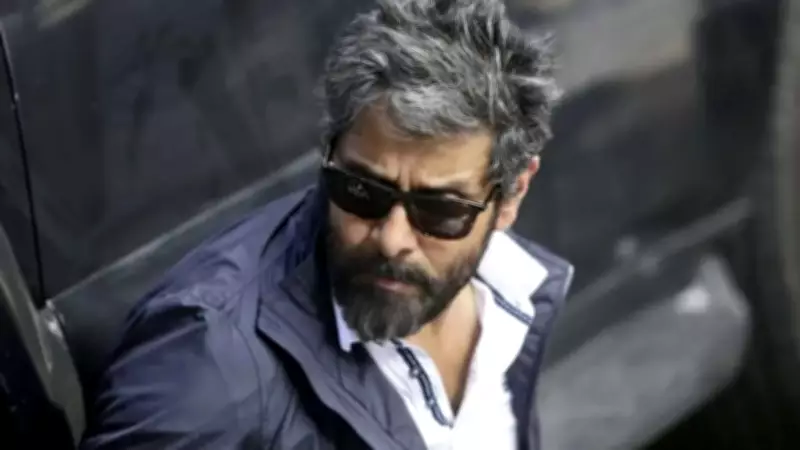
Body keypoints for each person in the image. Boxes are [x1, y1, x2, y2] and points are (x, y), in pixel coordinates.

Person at [81, 0, 573, 448]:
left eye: (440, 211)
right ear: (329, 153)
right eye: (361, 191)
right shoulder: (209, 358)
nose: (392, 240)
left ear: (511, 195)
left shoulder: (514, 295)